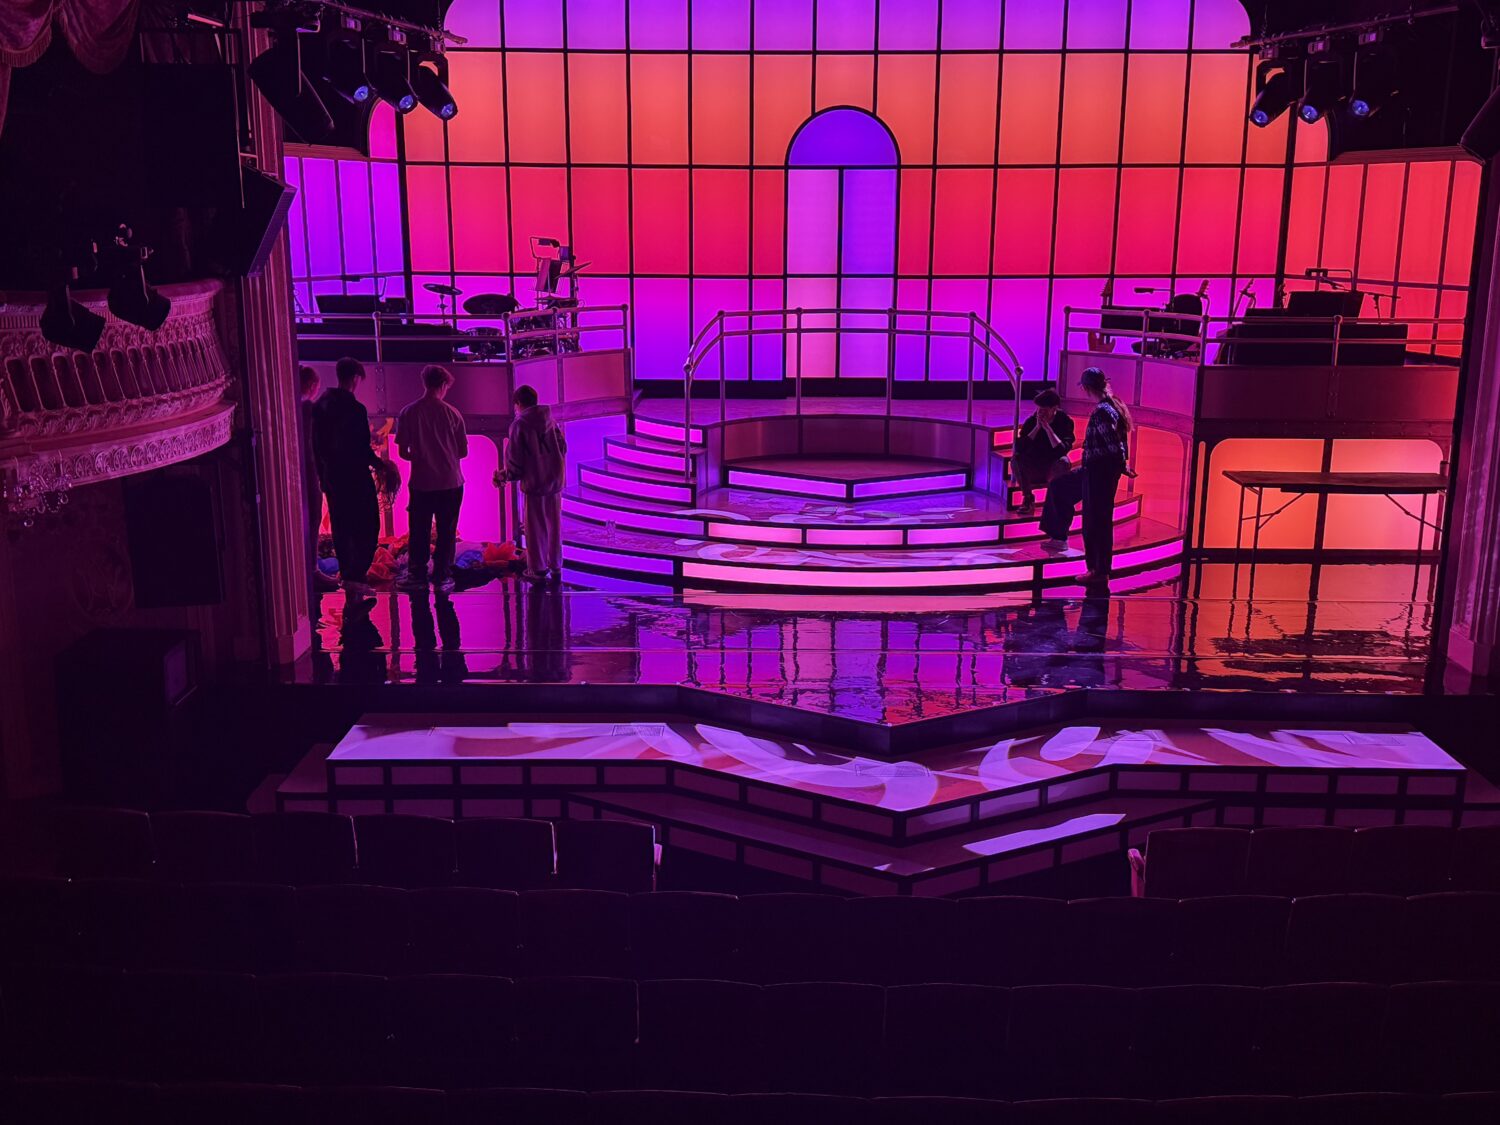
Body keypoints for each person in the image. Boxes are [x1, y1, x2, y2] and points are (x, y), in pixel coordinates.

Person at [1039, 366, 1132, 587]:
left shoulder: (1103, 411)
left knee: (1095, 521)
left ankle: (1097, 570)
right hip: (1097, 469)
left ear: (1088, 388)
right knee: (1062, 489)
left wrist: (1121, 465)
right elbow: (1119, 442)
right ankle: (1062, 540)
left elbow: (1114, 443)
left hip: (1099, 471)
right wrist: (1122, 463)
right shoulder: (1111, 407)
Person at [313, 357, 389, 598]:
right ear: (356, 378)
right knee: (367, 525)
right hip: (355, 475)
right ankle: (356, 574)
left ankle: (348, 575)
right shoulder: (355, 409)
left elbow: (316, 445)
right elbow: (361, 449)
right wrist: (382, 465)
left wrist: (322, 475)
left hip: (333, 475)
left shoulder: (321, 405)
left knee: (342, 525)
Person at [395, 364, 468, 593]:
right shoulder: (452, 413)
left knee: (419, 529)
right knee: (447, 530)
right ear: (444, 385)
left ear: (424, 382)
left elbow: (402, 452)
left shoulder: (409, 412)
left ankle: (417, 574)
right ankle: (442, 575)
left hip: (422, 482)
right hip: (450, 482)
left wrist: (420, 454)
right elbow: (462, 451)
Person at [495, 384, 567, 583]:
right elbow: (562, 447)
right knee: (554, 526)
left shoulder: (520, 425)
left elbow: (515, 459)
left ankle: (538, 568)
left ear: (518, 404)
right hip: (554, 482)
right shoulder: (552, 421)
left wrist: (505, 475)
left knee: (536, 529)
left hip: (535, 484)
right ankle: (556, 565)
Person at [297, 365, 334, 594]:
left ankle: (305, 569)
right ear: (311, 386)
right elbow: (319, 444)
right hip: (310, 469)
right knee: (312, 516)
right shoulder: (309, 409)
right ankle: (311, 570)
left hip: (297, 469)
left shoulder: (290, 406)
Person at [1012, 387, 1075, 515]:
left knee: (1064, 462)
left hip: (1052, 466)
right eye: (1039, 409)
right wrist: (1036, 428)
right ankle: (1028, 499)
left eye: (1045, 410)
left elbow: (1062, 450)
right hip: (1034, 465)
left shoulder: (1065, 422)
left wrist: (1048, 430)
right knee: (1016, 460)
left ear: (1054, 409)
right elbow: (1020, 447)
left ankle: (1055, 500)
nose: (1040, 413)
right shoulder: (1031, 421)